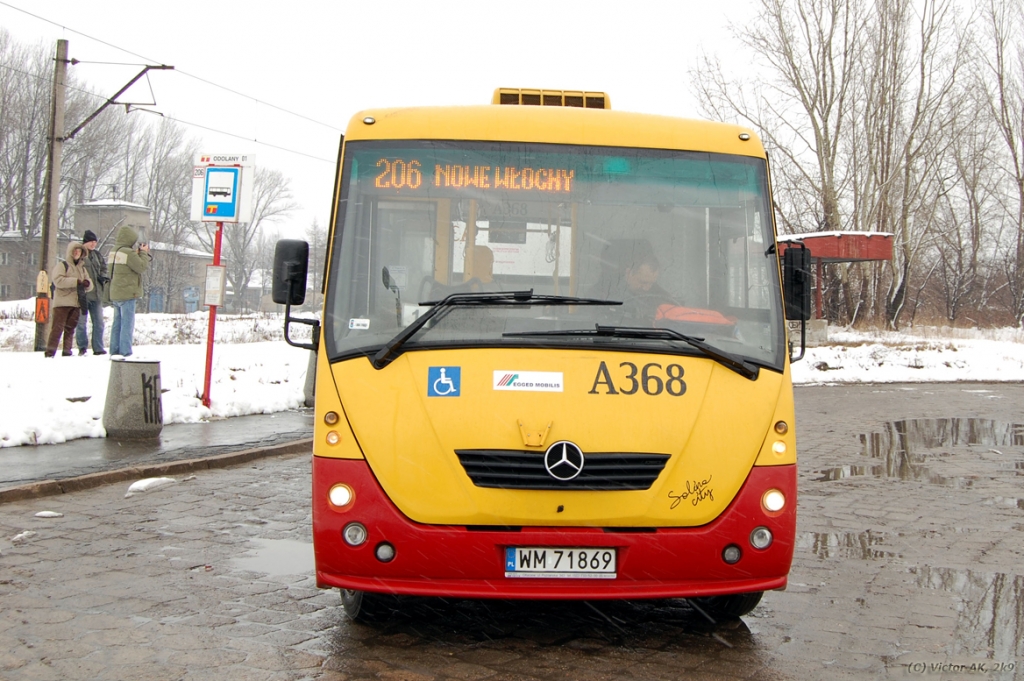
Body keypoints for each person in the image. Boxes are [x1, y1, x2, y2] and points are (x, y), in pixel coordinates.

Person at [587, 239, 675, 324]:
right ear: (629, 273)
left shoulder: (662, 298)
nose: (647, 288)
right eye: (643, 282)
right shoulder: (600, 296)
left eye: (652, 283)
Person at [106, 226, 151, 357]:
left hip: (115, 292)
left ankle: (114, 350)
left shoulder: (114, 251)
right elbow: (141, 266)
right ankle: (125, 351)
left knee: (117, 323)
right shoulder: (128, 253)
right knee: (127, 324)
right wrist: (143, 253)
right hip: (127, 293)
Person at [45, 241, 93, 357]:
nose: (77, 253)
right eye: (75, 251)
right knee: (57, 329)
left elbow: (90, 284)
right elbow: (58, 281)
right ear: (70, 252)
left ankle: (67, 351)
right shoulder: (62, 266)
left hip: (76, 303)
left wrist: (87, 284)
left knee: (70, 329)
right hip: (62, 303)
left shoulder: (82, 268)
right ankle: (50, 352)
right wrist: (75, 282)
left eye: (79, 251)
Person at [75, 230, 108, 356]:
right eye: (92, 242)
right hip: (83, 295)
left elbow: (104, 268)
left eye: (95, 242)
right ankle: (82, 347)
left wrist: (103, 277)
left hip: (97, 294)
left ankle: (98, 347)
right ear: (86, 242)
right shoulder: (79, 254)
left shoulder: (97, 255)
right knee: (81, 323)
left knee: (99, 322)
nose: (94, 244)